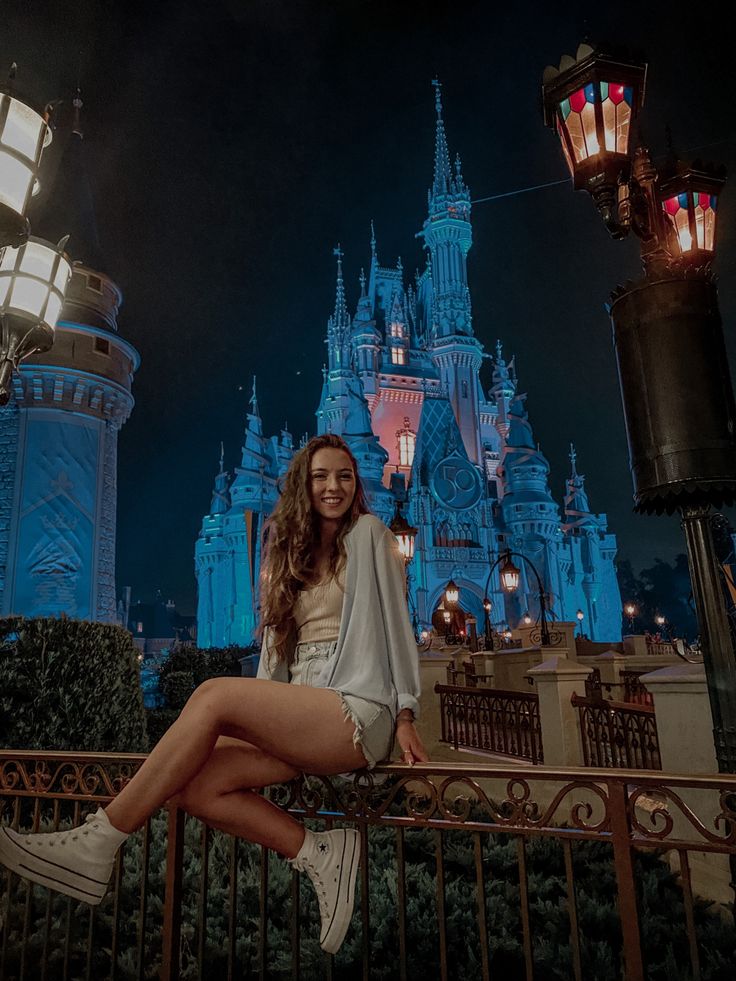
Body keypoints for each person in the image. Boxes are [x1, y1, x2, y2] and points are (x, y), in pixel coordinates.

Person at [0, 433, 427, 956]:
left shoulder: (369, 534)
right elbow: (276, 655)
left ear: (356, 484)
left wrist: (406, 711)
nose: (333, 486)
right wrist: (264, 717)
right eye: (321, 476)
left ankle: (99, 840)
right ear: (303, 484)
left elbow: (398, 627)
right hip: (302, 713)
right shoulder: (289, 554)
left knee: (214, 696)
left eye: (344, 475)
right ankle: (319, 852)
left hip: (356, 710)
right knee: (195, 787)